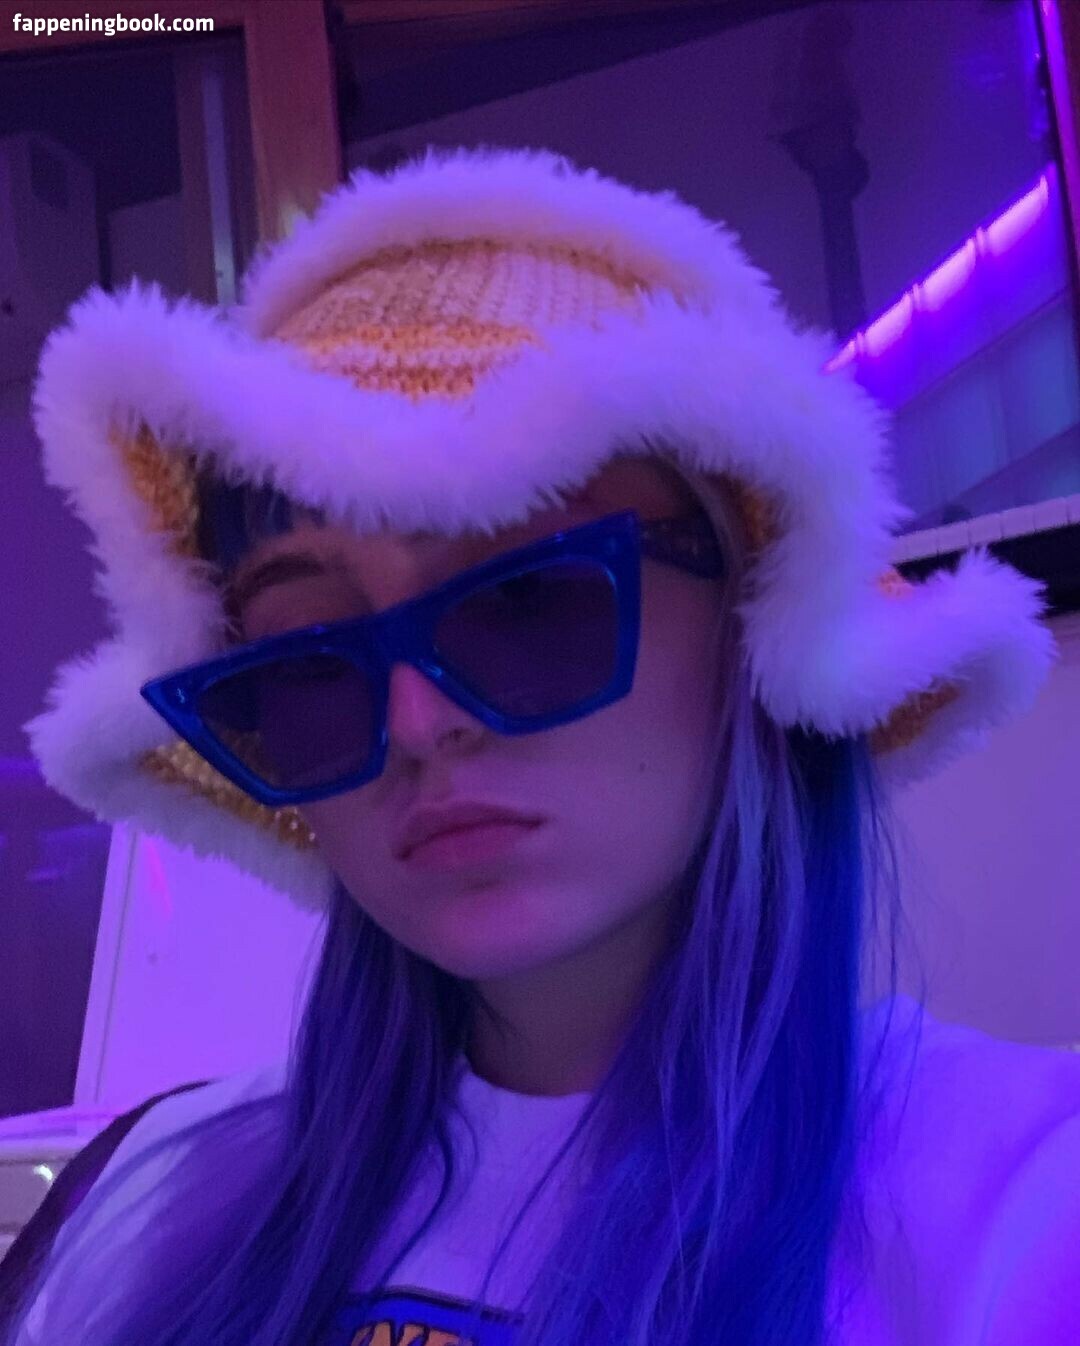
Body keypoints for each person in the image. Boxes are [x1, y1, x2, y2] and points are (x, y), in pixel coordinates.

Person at [5, 145, 1078, 1346]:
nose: (418, 724)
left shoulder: (1024, 1203)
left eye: (527, 599)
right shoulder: (147, 1197)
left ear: (752, 629)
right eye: (309, 663)